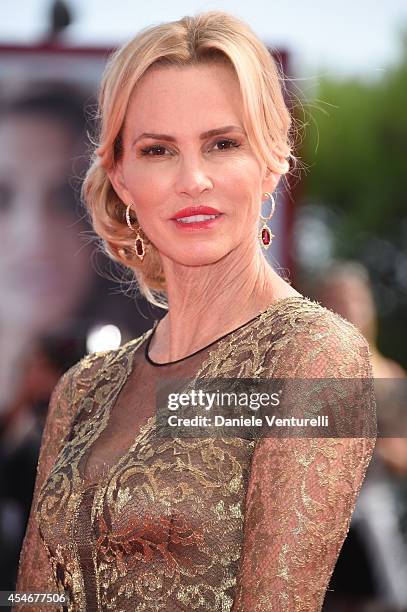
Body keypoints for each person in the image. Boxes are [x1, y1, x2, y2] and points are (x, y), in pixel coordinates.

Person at [15, 11, 376, 611]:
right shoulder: (82, 390)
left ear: (271, 160)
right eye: (158, 150)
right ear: (122, 177)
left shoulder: (312, 358)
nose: (194, 179)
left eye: (223, 143)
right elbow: (34, 598)